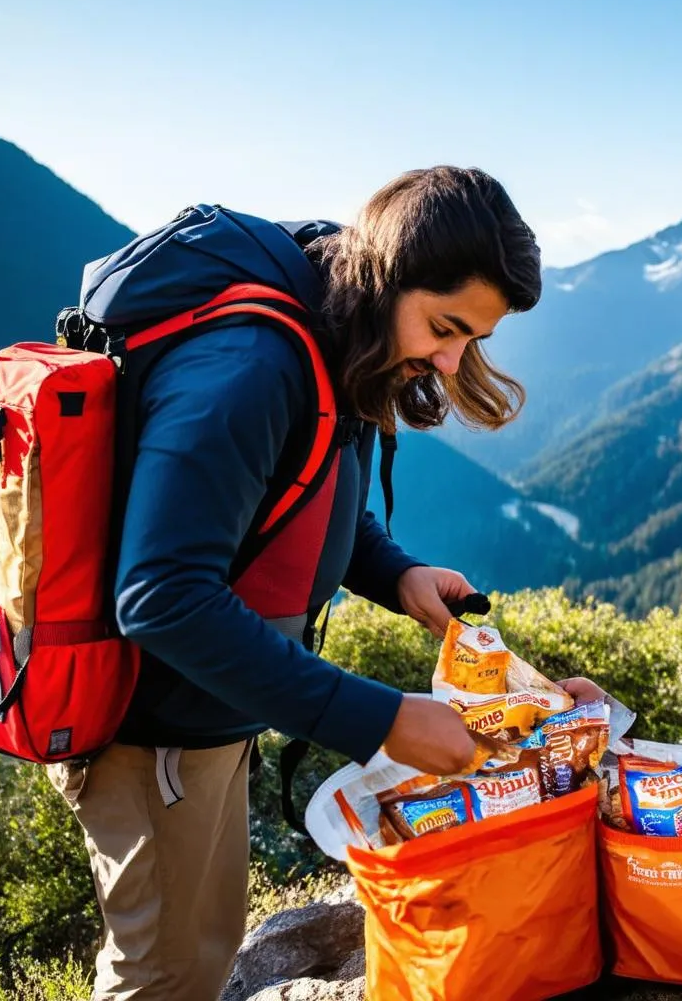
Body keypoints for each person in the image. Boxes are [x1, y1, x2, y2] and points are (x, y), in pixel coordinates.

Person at [46, 166, 591, 1001]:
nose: (450, 361)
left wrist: (394, 572)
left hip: (213, 707)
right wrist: (381, 719)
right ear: (390, 274)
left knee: (205, 948)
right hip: (146, 724)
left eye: (472, 341)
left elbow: (294, 494)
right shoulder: (251, 368)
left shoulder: (338, 332)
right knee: (163, 975)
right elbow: (159, 593)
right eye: (446, 327)